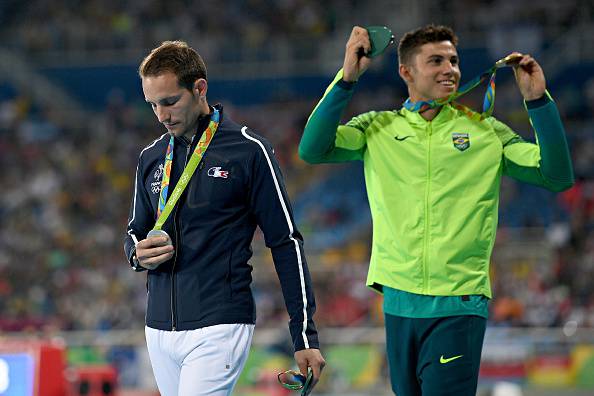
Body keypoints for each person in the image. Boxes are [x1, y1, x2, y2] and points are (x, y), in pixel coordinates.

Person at [299, 25, 574, 395]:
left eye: (454, 60)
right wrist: (346, 79)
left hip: (458, 302)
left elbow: (556, 175)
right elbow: (312, 149)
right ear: (406, 72)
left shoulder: (485, 132)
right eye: (436, 60)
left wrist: (538, 103)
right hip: (397, 303)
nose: (450, 69)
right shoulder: (378, 128)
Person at [124, 40, 325, 396]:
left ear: (199, 88)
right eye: (152, 105)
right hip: (157, 329)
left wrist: (304, 334)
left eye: (170, 101)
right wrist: (136, 255)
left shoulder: (248, 151)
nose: (161, 115)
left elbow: (286, 242)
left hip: (219, 321)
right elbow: (134, 232)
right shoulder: (151, 157)